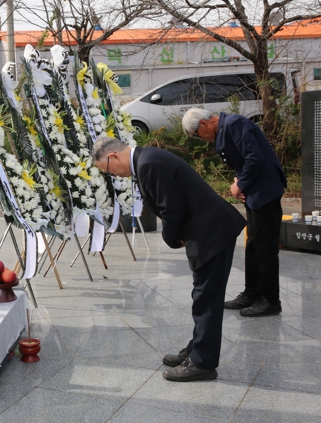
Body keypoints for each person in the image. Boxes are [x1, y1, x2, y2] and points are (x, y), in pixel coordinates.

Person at [92, 137, 246, 382]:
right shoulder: (146, 159)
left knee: (206, 298)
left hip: (211, 231)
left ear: (113, 156)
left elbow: (171, 208)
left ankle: (203, 363)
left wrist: (171, 238)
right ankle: (196, 349)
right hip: (207, 229)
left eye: (108, 171)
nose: (114, 176)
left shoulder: (148, 164)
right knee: (203, 295)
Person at [182, 108, 287, 317]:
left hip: (265, 191)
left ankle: (270, 300)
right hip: (255, 193)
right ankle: (252, 293)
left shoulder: (234, 124)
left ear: (203, 123)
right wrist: (240, 182)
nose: (201, 139)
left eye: (197, 135)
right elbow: (244, 161)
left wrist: (241, 185)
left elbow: (255, 158)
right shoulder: (224, 129)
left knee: (265, 247)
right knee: (253, 245)